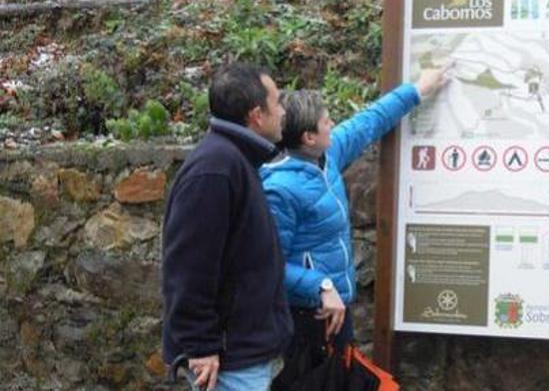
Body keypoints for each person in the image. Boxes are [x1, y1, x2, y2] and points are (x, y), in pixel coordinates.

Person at [260, 65, 450, 353]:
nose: (333, 124)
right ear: (309, 138)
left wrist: (419, 89)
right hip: (306, 317)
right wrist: (320, 286)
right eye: (326, 122)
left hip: (336, 307)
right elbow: (268, 265)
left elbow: (368, 121)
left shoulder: (328, 155)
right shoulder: (280, 190)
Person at [162, 63, 293, 391]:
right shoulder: (216, 169)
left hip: (242, 355)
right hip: (229, 362)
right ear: (256, 115)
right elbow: (189, 267)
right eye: (277, 103)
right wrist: (201, 345)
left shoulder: (235, 160)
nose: (283, 112)